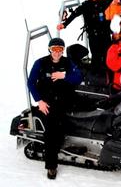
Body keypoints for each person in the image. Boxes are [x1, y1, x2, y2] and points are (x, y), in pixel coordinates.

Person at [27, 38, 82, 180]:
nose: (57, 53)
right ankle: (51, 166)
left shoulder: (67, 62)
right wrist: (39, 101)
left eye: (60, 49)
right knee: (52, 131)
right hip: (48, 102)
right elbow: (31, 82)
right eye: (54, 49)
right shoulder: (41, 63)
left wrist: (64, 76)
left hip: (66, 98)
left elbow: (78, 77)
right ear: (49, 50)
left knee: (88, 109)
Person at [57, 0, 117, 71]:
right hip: (94, 36)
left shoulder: (101, 4)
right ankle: (96, 76)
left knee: (107, 54)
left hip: (105, 35)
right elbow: (74, 14)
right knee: (96, 56)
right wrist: (64, 24)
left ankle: (108, 75)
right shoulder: (85, 6)